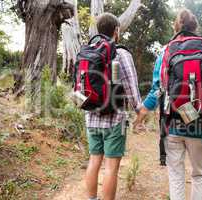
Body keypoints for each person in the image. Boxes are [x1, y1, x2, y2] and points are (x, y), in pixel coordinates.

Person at [134, 8, 202, 200]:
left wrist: (141, 114)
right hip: (201, 121)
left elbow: (157, 89)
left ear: (176, 26)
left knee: (175, 175)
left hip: (172, 123)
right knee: (198, 175)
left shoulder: (166, 52)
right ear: (194, 27)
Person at [84, 13, 142, 200]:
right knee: (111, 167)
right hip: (114, 119)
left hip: (91, 116)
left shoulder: (87, 51)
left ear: (99, 30)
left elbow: (78, 87)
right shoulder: (121, 53)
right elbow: (131, 87)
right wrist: (139, 111)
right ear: (116, 31)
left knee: (93, 161)